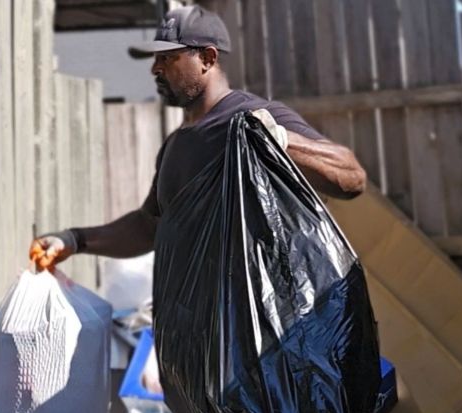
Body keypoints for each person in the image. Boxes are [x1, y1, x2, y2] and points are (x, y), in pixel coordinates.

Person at [29, 5, 366, 269]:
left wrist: (280, 141)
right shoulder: (176, 147)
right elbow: (149, 227)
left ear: (207, 58)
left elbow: (352, 179)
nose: (155, 69)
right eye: (155, 59)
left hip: (266, 333)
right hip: (201, 338)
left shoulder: (252, 118)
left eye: (169, 57)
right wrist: (74, 240)